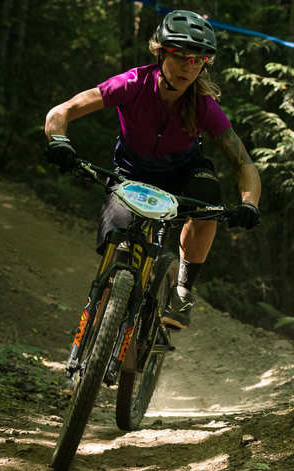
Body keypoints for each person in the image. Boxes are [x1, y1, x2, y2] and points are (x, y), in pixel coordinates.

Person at [44, 9, 261, 331]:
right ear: (161, 53)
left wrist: (249, 204)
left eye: (199, 61)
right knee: (117, 246)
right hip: (130, 173)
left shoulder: (204, 106)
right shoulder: (132, 84)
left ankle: (183, 288)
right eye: (182, 57)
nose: (190, 67)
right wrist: (59, 142)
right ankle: (107, 313)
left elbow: (245, 164)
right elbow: (62, 111)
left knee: (208, 201)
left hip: (183, 172)